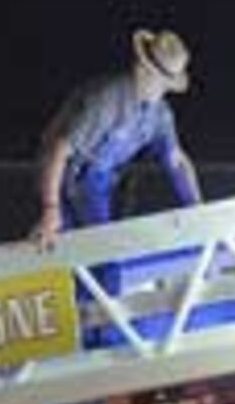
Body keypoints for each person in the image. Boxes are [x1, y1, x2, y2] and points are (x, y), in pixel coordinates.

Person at [30, 29, 201, 249]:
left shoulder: (159, 114)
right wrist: (50, 208)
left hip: (100, 182)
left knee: (101, 250)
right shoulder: (107, 100)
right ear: (143, 70)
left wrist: (196, 207)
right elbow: (59, 149)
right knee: (80, 251)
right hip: (67, 176)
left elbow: (176, 161)